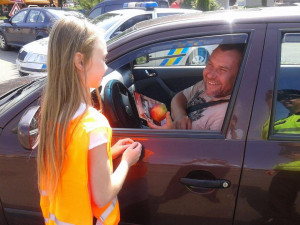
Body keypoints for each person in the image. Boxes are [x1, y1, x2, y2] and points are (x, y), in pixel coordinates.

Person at [37, 17, 142, 225]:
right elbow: (103, 196)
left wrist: (107, 153)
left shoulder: (52, 115)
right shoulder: (94, 125)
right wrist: (127, 162)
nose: (106, 67)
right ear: (80, 61)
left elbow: (72, 164)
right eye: (102, 59)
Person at [148, 44, 244, 130]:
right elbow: (180, 97)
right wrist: (180, 116)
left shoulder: (226, 118)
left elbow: (201, 150)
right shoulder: (207, 85)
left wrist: (170, 134)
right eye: (210, 64)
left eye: (222, 69)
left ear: (240, 75)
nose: (210, 75)